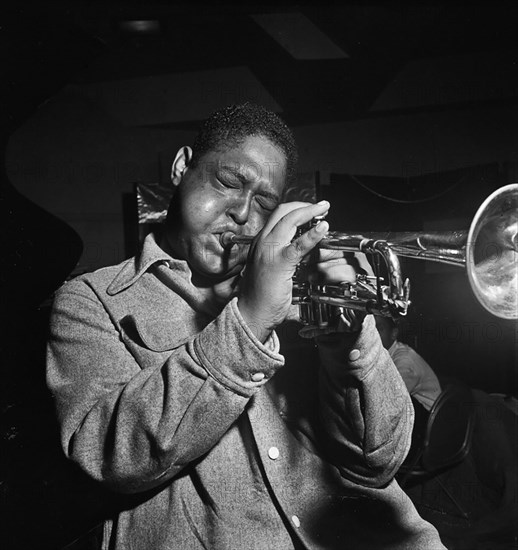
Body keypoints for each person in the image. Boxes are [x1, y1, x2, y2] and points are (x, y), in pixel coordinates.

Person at [46, 103, 445, 549]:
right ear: (182, 167)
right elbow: (109, 459)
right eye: (229, 182)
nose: (243, 215)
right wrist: (250, 320)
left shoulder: (305, 288)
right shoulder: (92, 300)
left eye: (265, 203)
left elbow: (380, 461)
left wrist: (347, 345)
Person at [374, 315, 442, 412]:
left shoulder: (405, 360)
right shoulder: (384, 353)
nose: (373, 334)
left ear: (393, 333)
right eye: (371, 329)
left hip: (427, 417)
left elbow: (390, 403)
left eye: (379, 328)